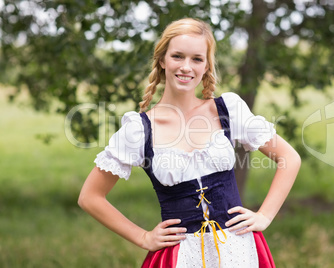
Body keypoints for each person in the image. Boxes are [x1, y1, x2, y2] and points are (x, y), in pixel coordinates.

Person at [78, 18, 301, 268]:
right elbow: (90, 197)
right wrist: (142, 237)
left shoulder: (227, 110)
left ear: (207, 65)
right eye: (177, 56)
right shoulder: (139, 130)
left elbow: (289, 158)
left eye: (197, 59)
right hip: (180, 257)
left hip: (239, 252)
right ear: (162, 60)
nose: (186, 67)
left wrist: (265, 215)